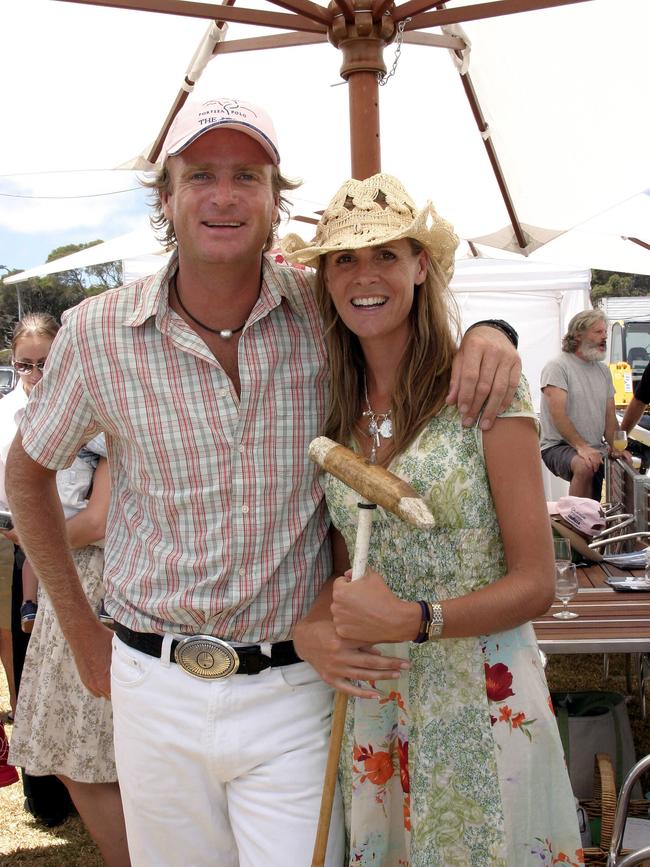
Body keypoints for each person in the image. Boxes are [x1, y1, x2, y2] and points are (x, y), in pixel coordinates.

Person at [5, 98, 521, 867]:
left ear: (277, 198)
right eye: (201, 175)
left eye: (247, 175)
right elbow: (26, 475)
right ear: (167, 198)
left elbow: (416, 315)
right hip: (155, 683)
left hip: (295, 686)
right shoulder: (96, 331)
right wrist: (81, 630)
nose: (223, 195)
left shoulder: (324, 309)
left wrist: (493, 334)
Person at [282, 173, 584, 866]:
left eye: (386, 254)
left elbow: (538, 582)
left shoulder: (483, 388)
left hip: (486, 693)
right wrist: (314, 626)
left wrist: (417, 619)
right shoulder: (331, 407)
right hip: (378, 701)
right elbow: (342, 574)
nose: (366, 275)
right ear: (325, 277)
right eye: (345, 258)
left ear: (422, 266)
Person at [9, 439, 130, 867]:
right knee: (75, 754)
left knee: (83, 753)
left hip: (95, 584)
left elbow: (99, 522)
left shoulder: (114, 415)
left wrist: (34, 532)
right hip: (78, 581)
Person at [0, 313, 73, 826]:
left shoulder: (81, 407)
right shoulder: (6, 413)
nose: (33, 375)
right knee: (26, 668)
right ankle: (41, 792)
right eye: (24, 365)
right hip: (15, 551)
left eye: (43, 364)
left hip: (79, 551)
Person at [540, 309, 618, 500]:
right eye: (598, 332)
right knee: (584, 466)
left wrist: (618, 447)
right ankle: (574, 523)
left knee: (620, 468)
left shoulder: (604, 371)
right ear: (578, 334)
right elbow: (558, 414)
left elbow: (610, 418)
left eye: (605, 332)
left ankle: (596, 525)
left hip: (594, 448)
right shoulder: (557, 366)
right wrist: (582, 447)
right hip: (558, 446)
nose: (604, 337)